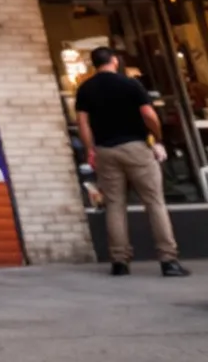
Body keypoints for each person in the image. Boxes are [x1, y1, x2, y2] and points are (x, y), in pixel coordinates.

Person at [77, 46, 187, 277]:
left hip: (106, 150)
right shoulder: (130, 84)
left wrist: (90, 150)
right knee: (154, 202)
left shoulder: (85, 89)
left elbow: (83, 124)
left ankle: (119, 261)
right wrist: (157, 137)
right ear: (114, 61)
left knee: (115, 205)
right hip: (136, 147)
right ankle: (168, 260)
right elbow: (148, 114)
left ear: (94, 64)